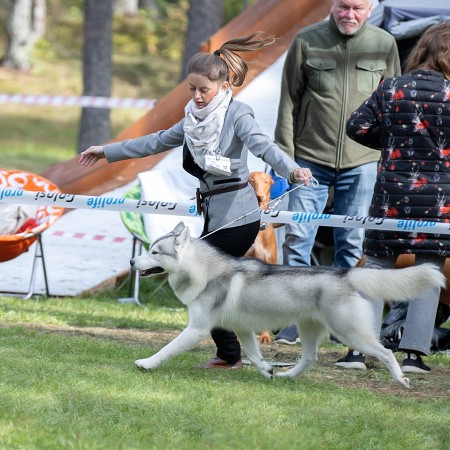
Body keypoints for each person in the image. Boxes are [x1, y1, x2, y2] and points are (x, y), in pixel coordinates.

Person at [79, 32, 313, 370]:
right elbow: (156, 141)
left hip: (239, 214)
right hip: (213, 213)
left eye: (204, 90)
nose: (197, 96)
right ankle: (234, 352)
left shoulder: (238, 114)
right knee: (212, 286)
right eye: (192, 89)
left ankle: (231, 353)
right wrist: (107, 151)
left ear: (222, 85)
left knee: (201, 281)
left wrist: (292, 171)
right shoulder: (192, 120)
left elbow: (265, 148)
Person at [272, 0, 401, 347]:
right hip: (308, 160)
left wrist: (387, 157)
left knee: (352, 242)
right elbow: (288, 101)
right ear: (333, 5)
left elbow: (394, 104)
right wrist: (286, 160)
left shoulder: (384, 43)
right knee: (299, 239)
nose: (350, 14)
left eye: (358, 8)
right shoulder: (306, 39)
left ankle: (343, 323)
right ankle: (294, 320)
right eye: (343, 6)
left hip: (362, 161)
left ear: (370, 8)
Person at [345, 21, 450, 373]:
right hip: (439, 197)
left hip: (390, 191)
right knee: (428, 271)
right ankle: (414, 356)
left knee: (375, 267)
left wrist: (391, 144)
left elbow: (356, 125)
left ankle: (360, 352)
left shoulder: (390, 87)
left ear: (421, 49)